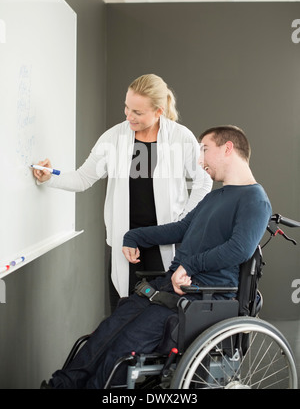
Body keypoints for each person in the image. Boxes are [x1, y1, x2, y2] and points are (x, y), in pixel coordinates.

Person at [42, 125, 272, 389]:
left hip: (202, 295)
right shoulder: (214, 198)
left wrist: (190, 265)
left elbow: (239, 249)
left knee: (124, 347)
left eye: (205, 150)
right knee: (104, 333)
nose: (200, 160)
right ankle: (60, 385)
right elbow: (182, 229)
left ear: (228, 148)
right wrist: (134, 235)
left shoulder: (255, 199)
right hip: (170, 287)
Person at [33, 74, 212, 310]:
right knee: (123, 309)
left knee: (166, 312)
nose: (129, 116)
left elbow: (204, 181)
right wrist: (50, 178)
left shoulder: (181, 138)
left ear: (158, 111)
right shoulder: (113, 138)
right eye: (127, 108)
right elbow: (83, 178)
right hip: (125, 242)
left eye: (137, 112)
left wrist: (184, 221)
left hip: (165, 241)